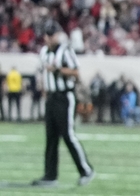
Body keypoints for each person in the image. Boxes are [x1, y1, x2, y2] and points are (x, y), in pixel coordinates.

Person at [33, 22, 95, 187]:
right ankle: (50, 175)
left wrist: (58, 70)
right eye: (47, 34)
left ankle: (86, 170)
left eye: (51, 34)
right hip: (52, 97)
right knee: (51, 137)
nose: (49, 37)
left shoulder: (65, 50)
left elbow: (75, 71)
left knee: (68, 135)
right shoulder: (44, 52)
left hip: (65, 97)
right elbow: (43, 73)